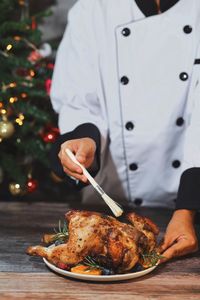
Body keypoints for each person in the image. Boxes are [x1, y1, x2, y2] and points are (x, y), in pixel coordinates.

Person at [50, 0, 199, 262]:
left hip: (190, 207)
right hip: (107, 203)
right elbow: (79, 100)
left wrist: (187, 209)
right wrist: (84, 140)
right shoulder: (93, 10)